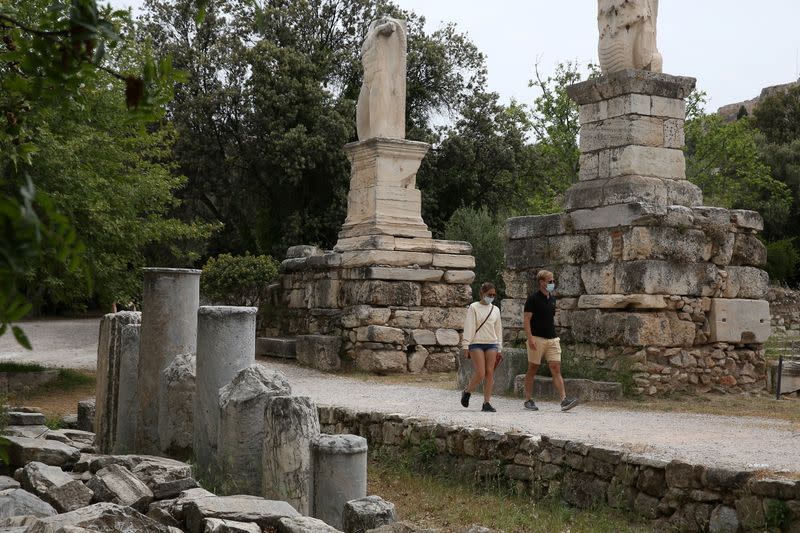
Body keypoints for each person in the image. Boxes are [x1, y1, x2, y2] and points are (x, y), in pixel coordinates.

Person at [522, 270, 578, 412]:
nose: (552, 283)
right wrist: (530, 339)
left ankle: (564, 400)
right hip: (537, 338)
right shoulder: (532, 299)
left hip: (552, 339)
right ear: (542, 282)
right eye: (550, 281)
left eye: (553, 281)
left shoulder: (552, 299)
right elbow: (526, 320)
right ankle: (528, 399)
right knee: (533, 368)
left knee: (556, 368)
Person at [460, 282, 503, 412]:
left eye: (494, 295)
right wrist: (466, 344)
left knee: (490, 373)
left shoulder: (495, 309)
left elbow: (498, 329)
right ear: (482, 294)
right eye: (489, 294)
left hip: (492, 342)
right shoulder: (473, 307)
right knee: (480, 372)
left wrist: (499, 347)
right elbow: (469, 326)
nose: (491, 296)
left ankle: (486, 402)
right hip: (476, 342)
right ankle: (467, 392)